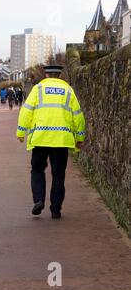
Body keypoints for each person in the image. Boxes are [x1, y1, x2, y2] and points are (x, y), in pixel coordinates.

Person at [17, 65, 86, 219]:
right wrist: (80, 137)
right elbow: (78, 115)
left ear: (46, 75)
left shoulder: (38, 89)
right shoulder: (68, 90)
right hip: (61, 140)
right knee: (58, 175)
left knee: (37, 170)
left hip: (41, 137)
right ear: (60, 75)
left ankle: (39, 200)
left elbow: (26, 110)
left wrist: (21, 132)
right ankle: (56, 209)